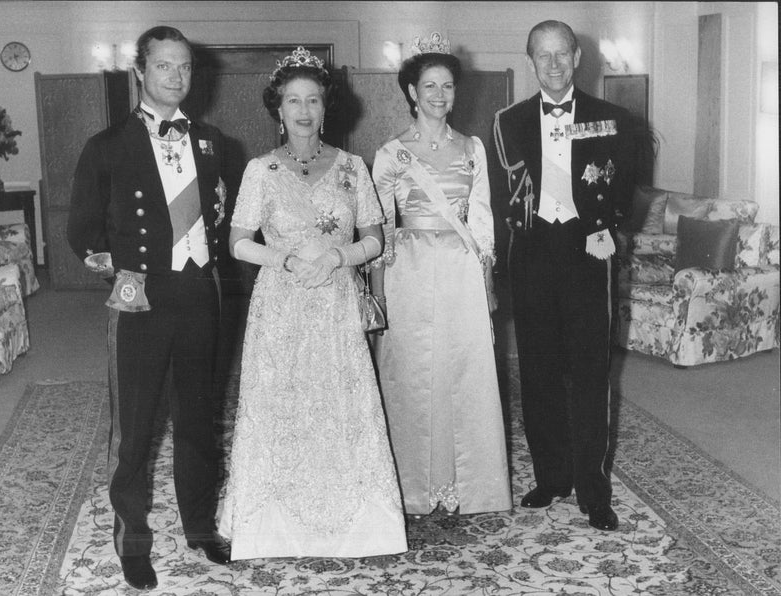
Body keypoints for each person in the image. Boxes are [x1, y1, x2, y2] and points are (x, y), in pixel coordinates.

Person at [216, 46, 407, 559]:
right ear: (277, 109)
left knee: (339, 409)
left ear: (327, 108)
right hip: (280, 303)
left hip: (335, 303)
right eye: (293, 100)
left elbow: (376, 240)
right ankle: (273, 525)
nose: (304, 110)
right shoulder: (260, 169)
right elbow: (237, 241)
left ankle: (356, 525)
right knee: (281, 405)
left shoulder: (352, 168)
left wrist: (338, 257)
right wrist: (285, 260)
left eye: (314, 100)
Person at [67, 26, 231, 590]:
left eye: (184, 67)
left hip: (197, 296)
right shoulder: (106, 145)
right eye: (164, 67)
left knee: (197, 421)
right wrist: (120, 269)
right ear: (140, 71)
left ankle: (200, 527)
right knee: (134, 429)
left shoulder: (211, 141)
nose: (176, 77)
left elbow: (219, 218)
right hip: (141, 300)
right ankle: (133, 542)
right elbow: (82, 232)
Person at [491, 20, 637, 531]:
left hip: (586, 252)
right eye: (542, 56)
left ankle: (594, 489)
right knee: (538, 371)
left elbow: (627, 189)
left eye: (561, 55)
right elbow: (494, 192)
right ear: (530, 61)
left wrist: (611, 230)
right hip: (530, 255)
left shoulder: (612, 118)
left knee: (591, 372)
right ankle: (552, 476)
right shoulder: (506, 122)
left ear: (577, 57)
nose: (552, 65)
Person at [370, 33, 512, 517]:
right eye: (428, 85)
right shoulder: (391, 153)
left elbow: (482, 218)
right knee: (411, 369)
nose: (438, 94)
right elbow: (381, 227)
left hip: (460, 267)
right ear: (412, 92)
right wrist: (378, 292)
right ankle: (412, 486)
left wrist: (488, 281)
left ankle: (465, 486)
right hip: (407, 267)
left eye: (447, 85)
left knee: (462, 369)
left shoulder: (473, 148)